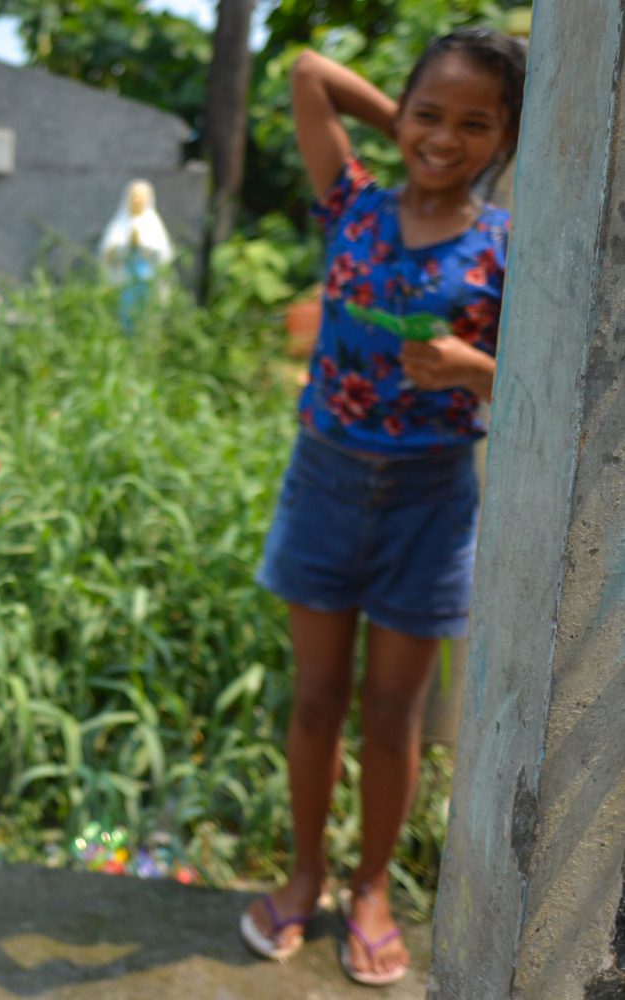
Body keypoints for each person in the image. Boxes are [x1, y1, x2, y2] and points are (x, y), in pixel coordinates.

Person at [238, 28, 525, 987]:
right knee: (317, 699)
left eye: (475, 124)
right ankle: (305, 876)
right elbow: (309, 73)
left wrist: (472, 366)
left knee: (395, 713)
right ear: (401, 115)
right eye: (428, 115)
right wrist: (403, 117)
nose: (444, 139)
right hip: (324, 480)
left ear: (508, 137)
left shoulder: (508, 245)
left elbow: (535, 387)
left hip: (430, 499)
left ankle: (371, 891)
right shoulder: (352, 203)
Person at [97, 179, 174, 330]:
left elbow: (164, 254)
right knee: (125, 315)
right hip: (125, 280)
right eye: (135, 196)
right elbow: (108, 252)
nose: (138, 200)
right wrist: (126, 247)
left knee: (147, 314)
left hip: (147, 279)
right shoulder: (120, 223)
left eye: (142, 196)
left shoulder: (153, 223)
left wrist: (142, 246)